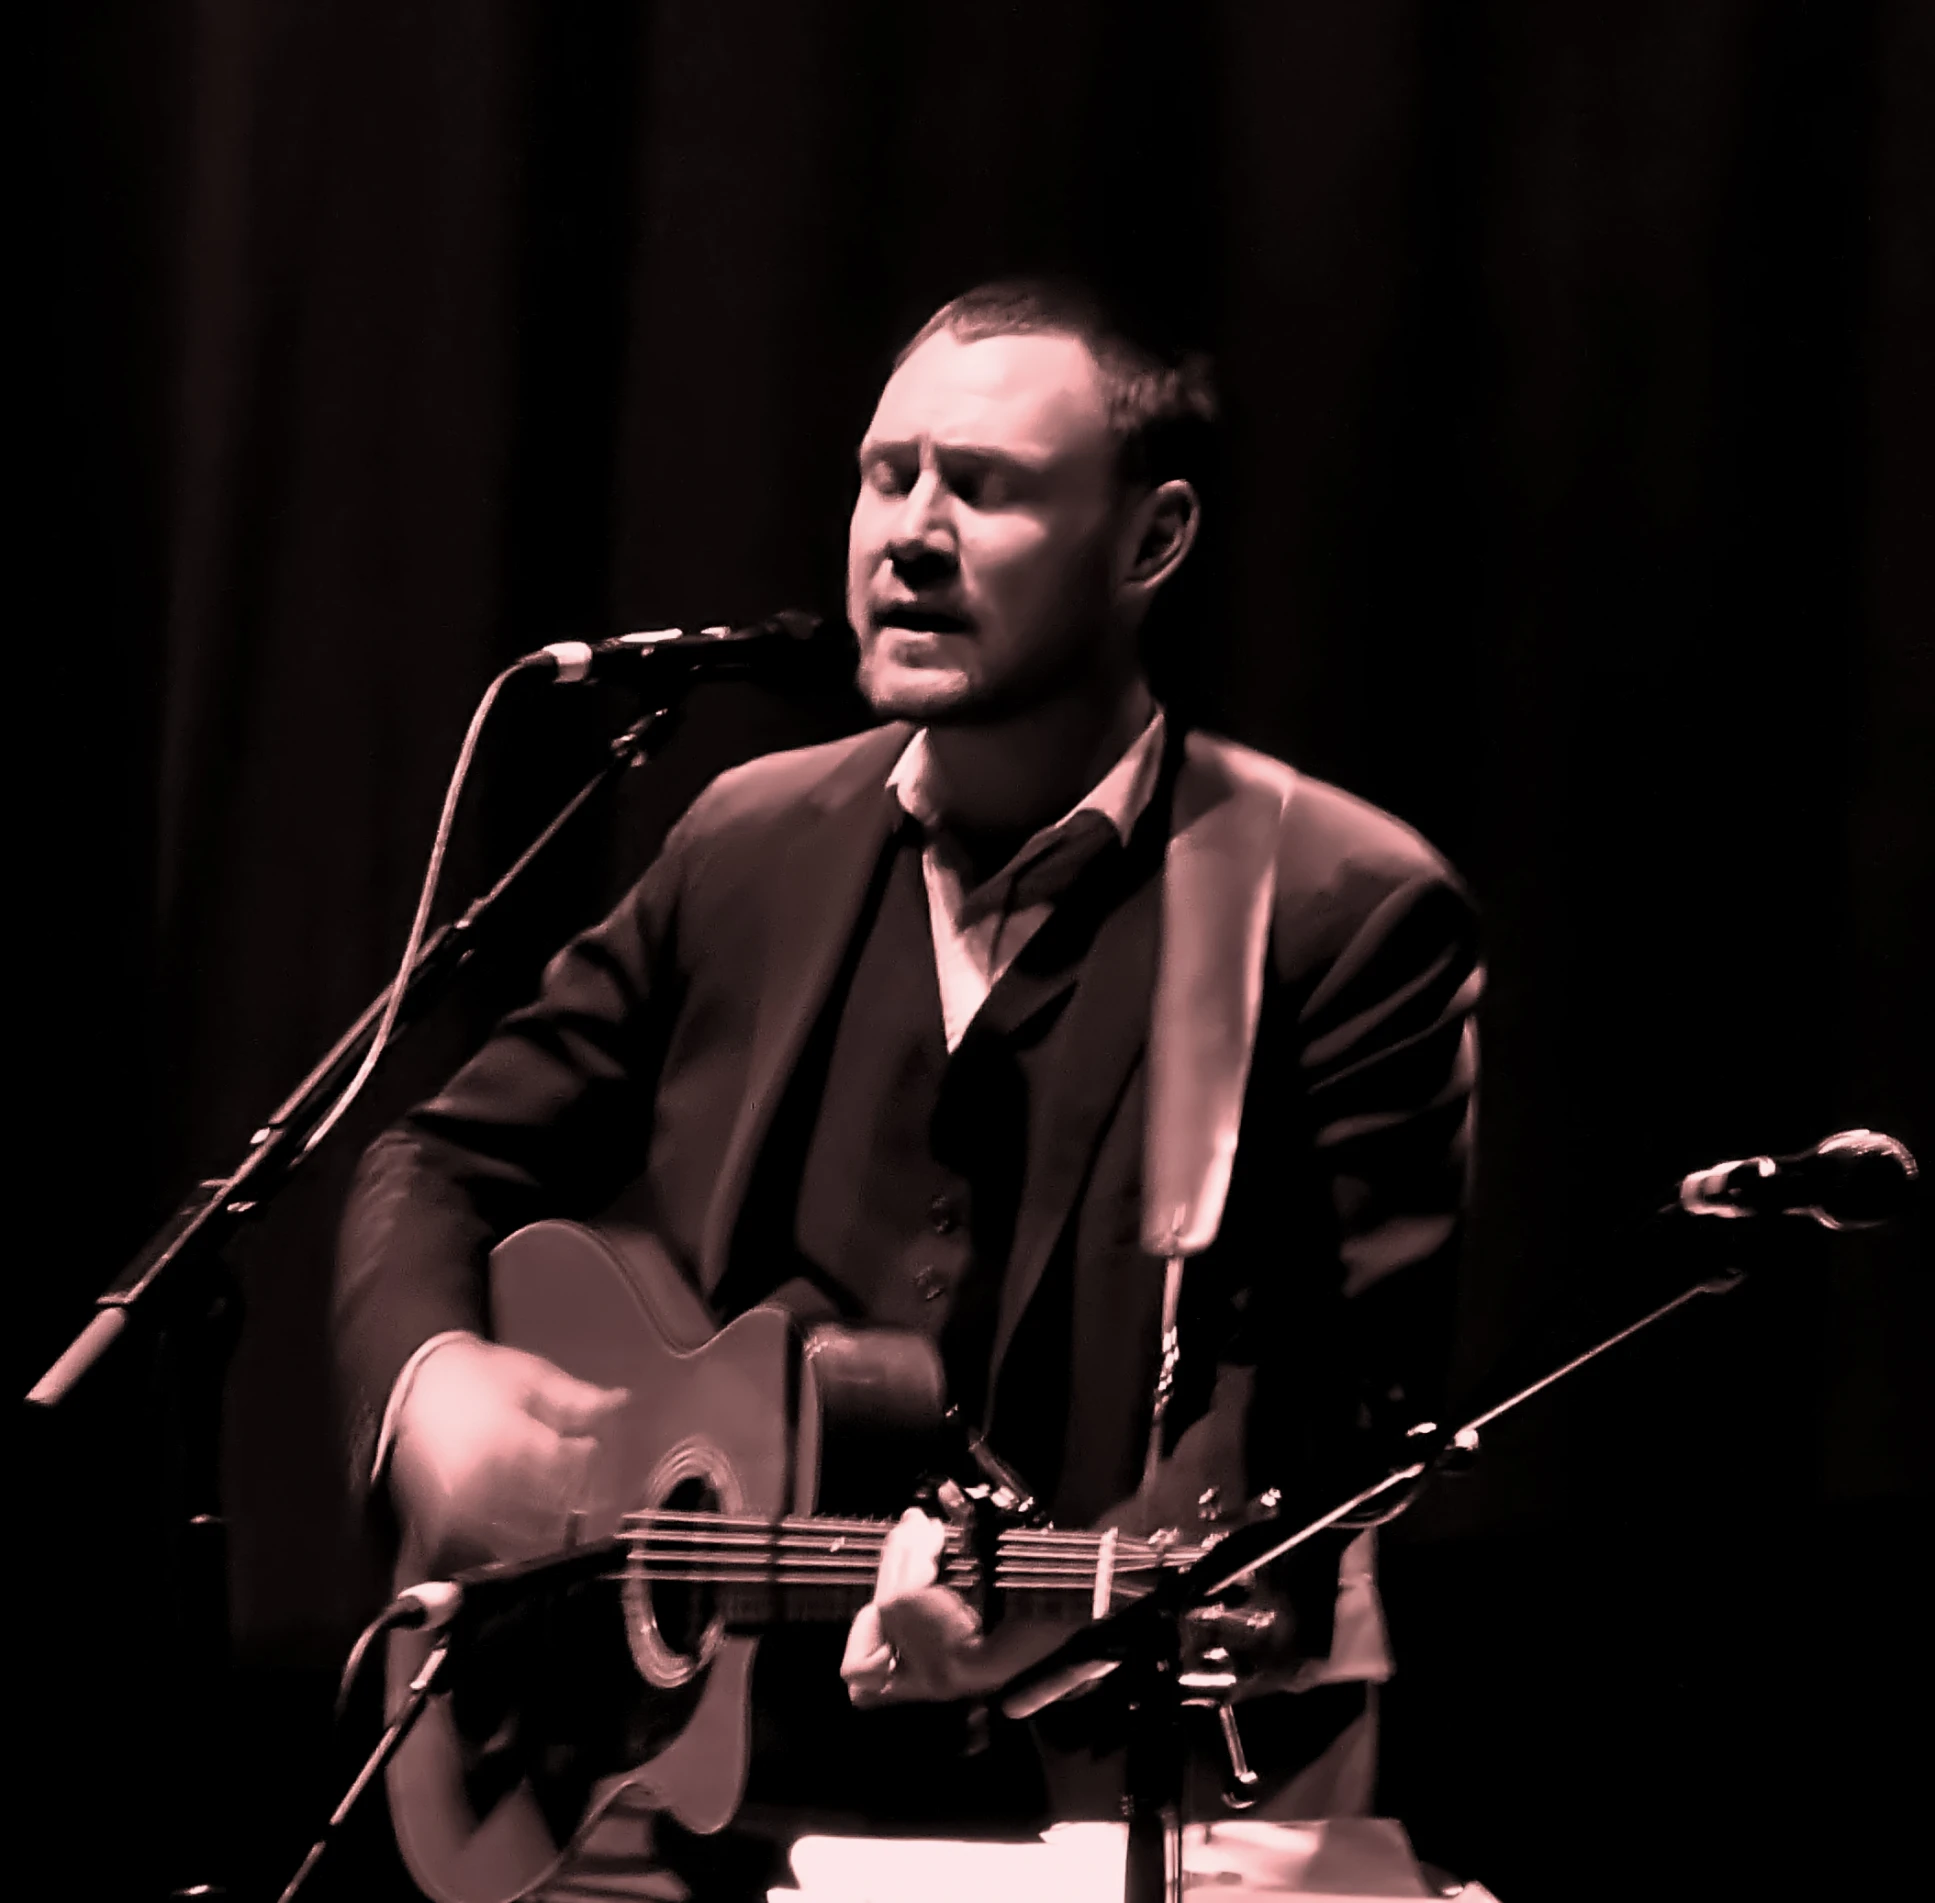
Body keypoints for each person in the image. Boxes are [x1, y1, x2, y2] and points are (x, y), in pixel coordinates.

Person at [333, 278, 1481, 1883]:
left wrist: (1026, 1626)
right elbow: (439, 1161)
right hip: (694, 1789)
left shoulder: (1330, 903)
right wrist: (433, 1388)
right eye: (888, 476)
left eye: (988, 487)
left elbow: (1318, 1422)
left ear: (1148, 543)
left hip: (1113, 1809)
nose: (911, 535)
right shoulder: (750, 838)